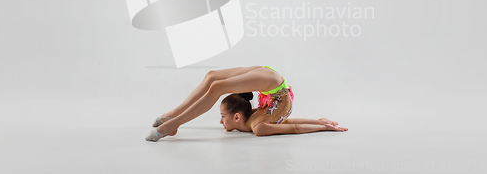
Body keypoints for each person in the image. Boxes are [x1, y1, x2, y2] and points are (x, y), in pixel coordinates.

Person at [146, 65, 348, 141]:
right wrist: (321, 124)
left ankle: (171, 125)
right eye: (222, 117)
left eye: (221, 116)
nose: (220, 122)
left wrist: (322, 126)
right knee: (212, 77)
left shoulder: (258, 124)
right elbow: (289, 124)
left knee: (216, 85)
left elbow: (290, 126)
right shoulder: (258, 122)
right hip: (274, 87)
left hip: (274, 86)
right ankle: (173, 116)